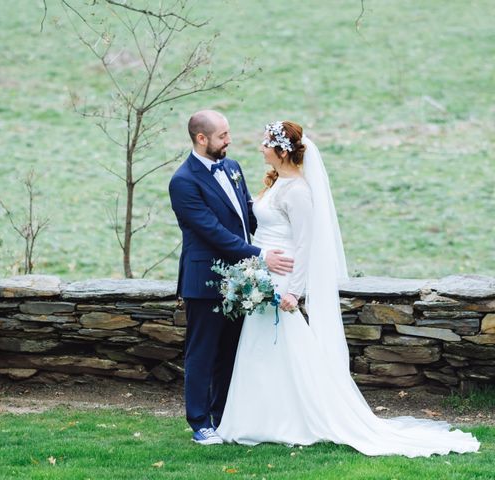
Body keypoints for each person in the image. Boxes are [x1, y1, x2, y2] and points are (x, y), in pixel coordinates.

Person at [215, 120, 481, 456]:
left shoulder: (297, 191)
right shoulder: (277, 183)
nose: (260, 147)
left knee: (282, 347)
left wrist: (294, 291)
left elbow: (306, 244)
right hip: (263, 273)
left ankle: (288, 418)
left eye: (266, 142)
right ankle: (257, 418)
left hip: (282, 278)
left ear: (282, 150)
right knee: (262, 347)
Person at [169, 110, 294, 445]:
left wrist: (283, 214)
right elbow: (212, 232)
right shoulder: (183, 181)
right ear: (201, 138)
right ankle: (199, 423)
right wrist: (260, 255)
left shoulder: (233, 167)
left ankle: (223, 416)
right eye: (223, 135)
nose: (229, 140)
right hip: (205, 279)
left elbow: (246, 217)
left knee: (230, 352)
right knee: (202, 353)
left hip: (240, 279)